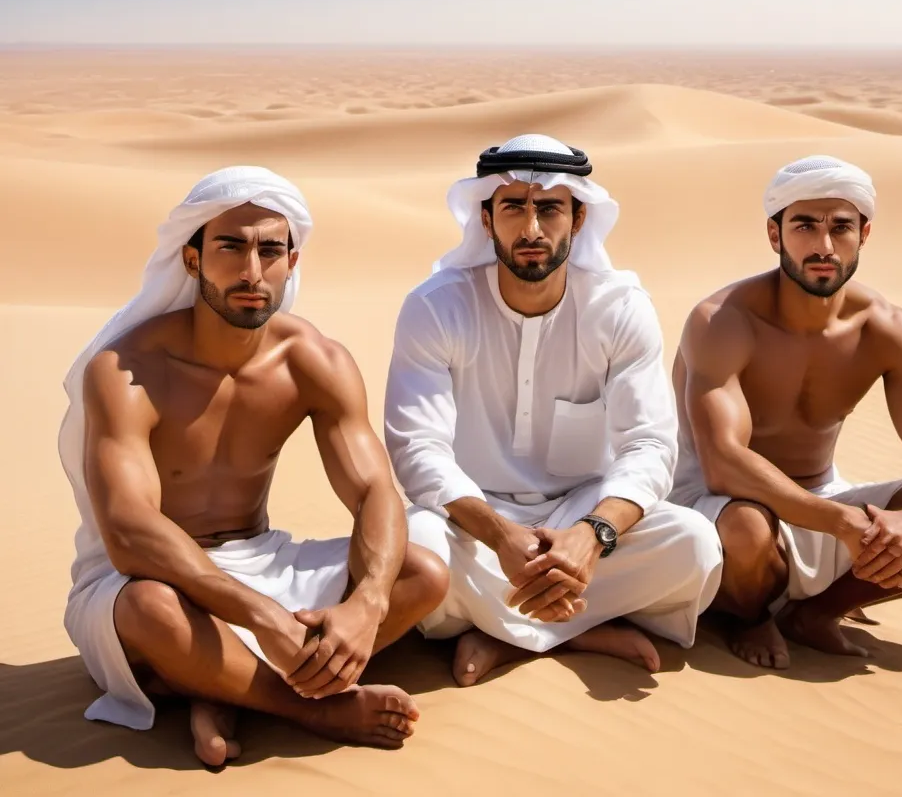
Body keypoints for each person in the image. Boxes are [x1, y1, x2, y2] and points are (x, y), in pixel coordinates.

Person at [59, 166, 448, 766]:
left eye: (270, 250)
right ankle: (309, 706)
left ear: (292, 262)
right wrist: (265, 618)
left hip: (261, 558)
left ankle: (220, 688)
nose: (251, 271)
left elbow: (374, 489)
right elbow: (131, 532)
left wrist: (366, 603)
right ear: (191, 261)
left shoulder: (314, 360)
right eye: (230, 248)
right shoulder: (127, 369)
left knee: (421, 572)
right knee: (150, 610)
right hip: (148, 580)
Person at [383, 134, 723, 686]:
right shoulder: (436, 307)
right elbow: (416, 449)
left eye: (549, 209)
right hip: (474, 522)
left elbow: (650, 446)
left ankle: (499, 630)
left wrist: (592, 537)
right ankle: (581, 629)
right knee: (415, 547)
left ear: (580, 218)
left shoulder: (619, 308)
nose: (533, 229)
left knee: (695, 544)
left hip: (582, 516)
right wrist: (501, 537)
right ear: (487, 219)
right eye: (513, 207)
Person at [670, 154, 902, 669]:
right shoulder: (722, 321)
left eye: (840, 227)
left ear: (863, 234)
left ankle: (816, 614)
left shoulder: (887, 328)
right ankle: (747, 613)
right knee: (747, 530)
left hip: (824, 497)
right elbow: (723, 462)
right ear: (775, 235)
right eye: (804, 225)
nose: (824, 246)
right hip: (716, 501)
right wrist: (843, 523)